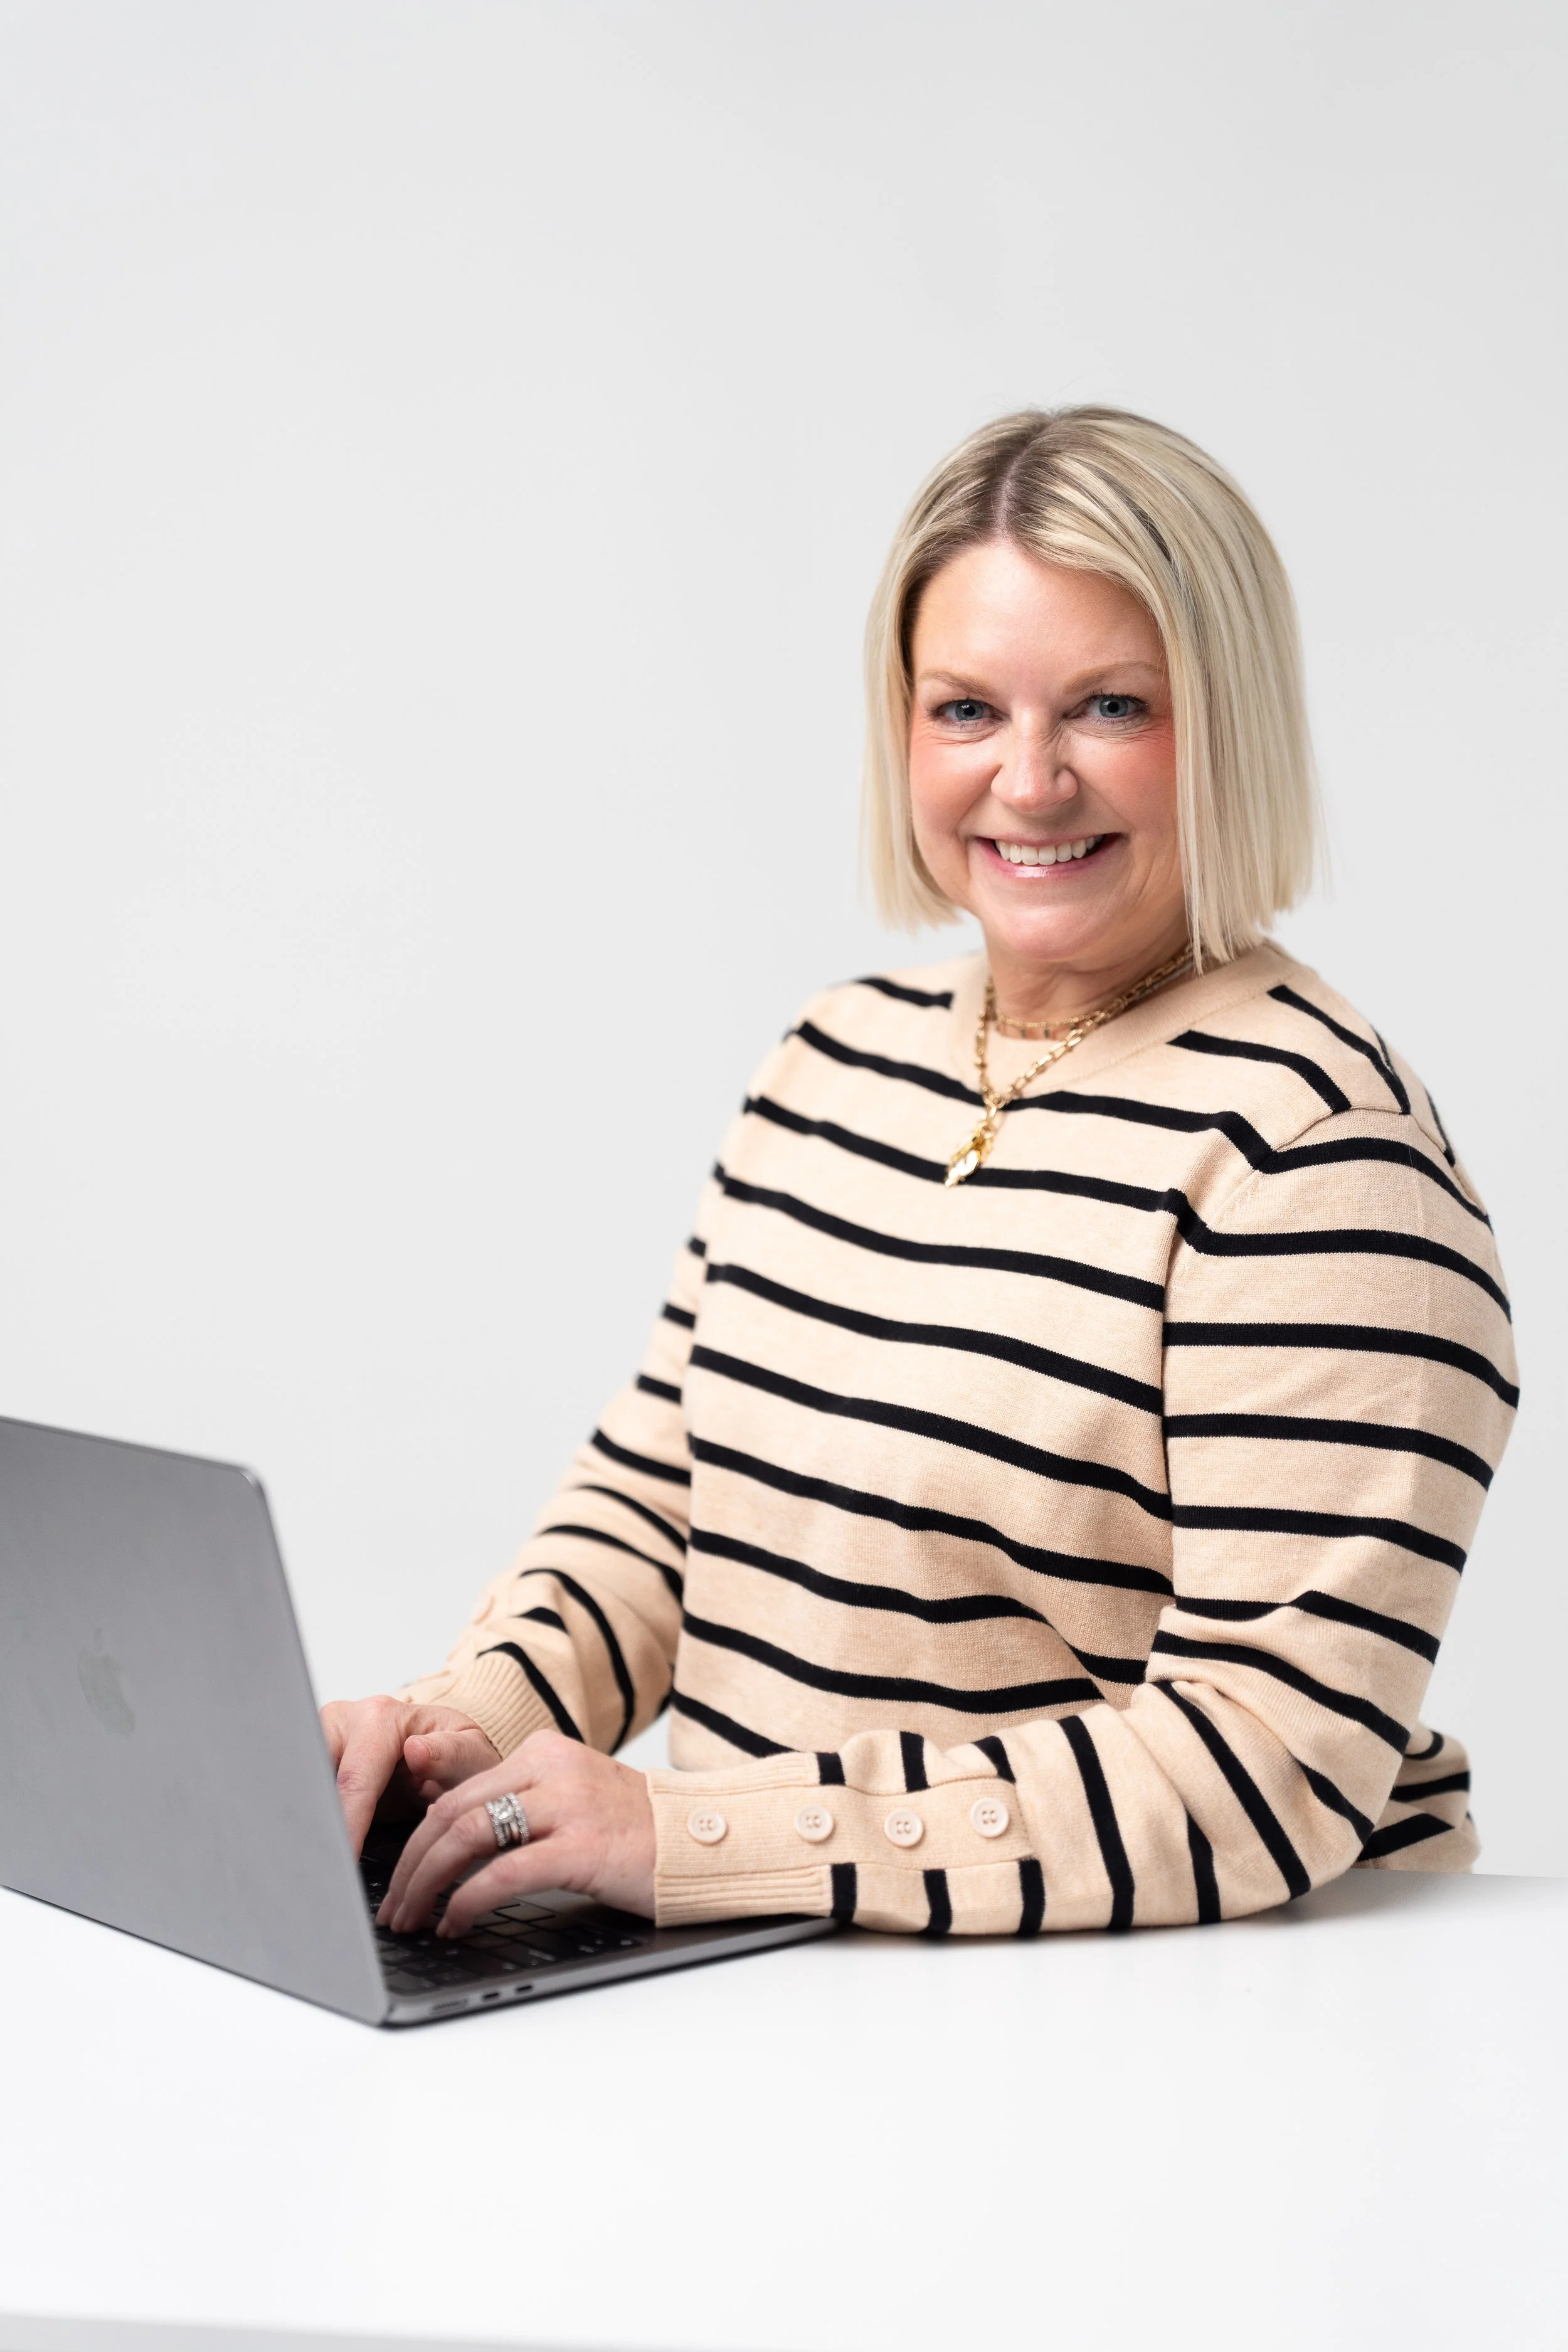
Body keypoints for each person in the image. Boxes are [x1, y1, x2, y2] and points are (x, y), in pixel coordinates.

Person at [324, 406, 1515, 1942]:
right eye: (964, 710)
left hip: (1181, 2011)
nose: (1028, 781)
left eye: (1108, 706)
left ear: (1227, 723)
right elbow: (663, 1508)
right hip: (801, 1971)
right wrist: (455, 1741)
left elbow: (1256, 1771)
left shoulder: (1313, 1152)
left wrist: (695, 1832)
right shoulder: (834, 1057)